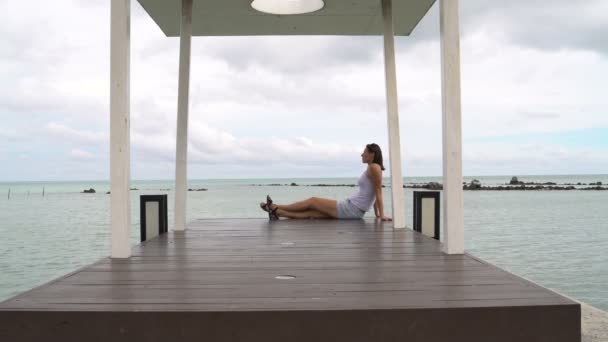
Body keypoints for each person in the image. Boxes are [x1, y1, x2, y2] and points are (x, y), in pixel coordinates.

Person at [260, 143, 392, 221]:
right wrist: (377, 214)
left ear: (372, 154)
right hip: (354, 210)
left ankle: (275, 206)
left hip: (352, 209)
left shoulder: (374, 168)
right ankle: (278, 212)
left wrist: (381, 215)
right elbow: (374, 193)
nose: (361, 155)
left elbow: (378, 192)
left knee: (313, 201)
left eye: (364, 153)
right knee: (312, 213)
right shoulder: (373, 168)